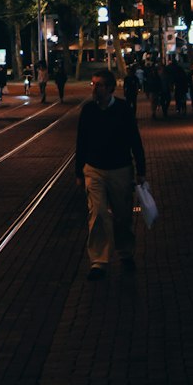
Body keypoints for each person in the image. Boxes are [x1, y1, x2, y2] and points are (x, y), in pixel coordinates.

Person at [74, 68, 146, 280]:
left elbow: (135, 140)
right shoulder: (88, 111)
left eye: (100, 85)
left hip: (120, 169)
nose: (95, 89)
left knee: (123, 215)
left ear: (111, 88)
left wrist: (141, 170)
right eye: (93, 84)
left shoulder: (123, 110)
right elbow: (81, 142)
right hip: (94, 168)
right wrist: (79, 171)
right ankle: (99, 261)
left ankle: (125, 252)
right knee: (97, 213)